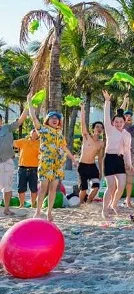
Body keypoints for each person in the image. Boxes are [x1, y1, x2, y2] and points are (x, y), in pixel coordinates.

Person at [26, 93, 77, 221]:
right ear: (47, 120)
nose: (54, 119)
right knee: (43, 187)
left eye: (57, 118)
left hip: (58, 164)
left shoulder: (59, 134)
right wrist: (29, 102)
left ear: (59, 121)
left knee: (53, 189)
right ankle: (38, 212)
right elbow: (34, 118)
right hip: (46, 162)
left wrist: (73, 159)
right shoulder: (43, 130)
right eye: (52, 117)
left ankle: (49, 212)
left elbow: (64, 148)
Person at [101, 90, 133, 219]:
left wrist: (129, 164)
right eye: (116, 122)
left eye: (121, 122)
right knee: (111, 186)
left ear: (124, 122)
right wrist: (107, 101)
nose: (118, 124)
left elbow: (127, 150)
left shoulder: (127, 135)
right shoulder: (110, 130)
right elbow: (106, 117)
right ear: (113, 122)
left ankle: (114, 204)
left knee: (121, 185)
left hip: (120, 159)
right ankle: (104, 209)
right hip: (109, 158)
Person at [0, 105, 28, 215]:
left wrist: (27, 106)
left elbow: (20, 121)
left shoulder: (7, 128)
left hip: (7, 161)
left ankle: (6, 209)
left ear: (1, 121)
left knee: (8, 187)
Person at [77, 103, 105, 205]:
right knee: (83, 189)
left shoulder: (101, 143)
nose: (99, 128)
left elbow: (100, 158)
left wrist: (101, 171)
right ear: (93, 128)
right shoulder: (86, 137)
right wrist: (82, 109)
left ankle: (88, 203)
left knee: (96, 187)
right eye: (97, 126)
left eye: (101, 127)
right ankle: (80, 204)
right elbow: (83, 124)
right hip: (83, 166)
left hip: (93, 167)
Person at [120, 94, 134, 208]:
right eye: (126, 115)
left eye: (130, 116)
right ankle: (114, 201)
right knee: (118, 179)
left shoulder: (133, 127)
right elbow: (118, 113)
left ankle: (128, 200)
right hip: (119, 156)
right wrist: (124, 101)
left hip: (132, 155)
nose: (128, 117)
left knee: (130, 180)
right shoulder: (119, 126)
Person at [13, 129, 40, 209]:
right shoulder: (23, 141)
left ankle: (33, 205)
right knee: (21, 188)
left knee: (33, 189)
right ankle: (21, 205)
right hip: (22, 168)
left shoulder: (40, 144)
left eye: (36, 133)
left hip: (34, 169)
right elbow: (11, 143)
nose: (34, 134)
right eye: (33, 133)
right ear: (30, 133)